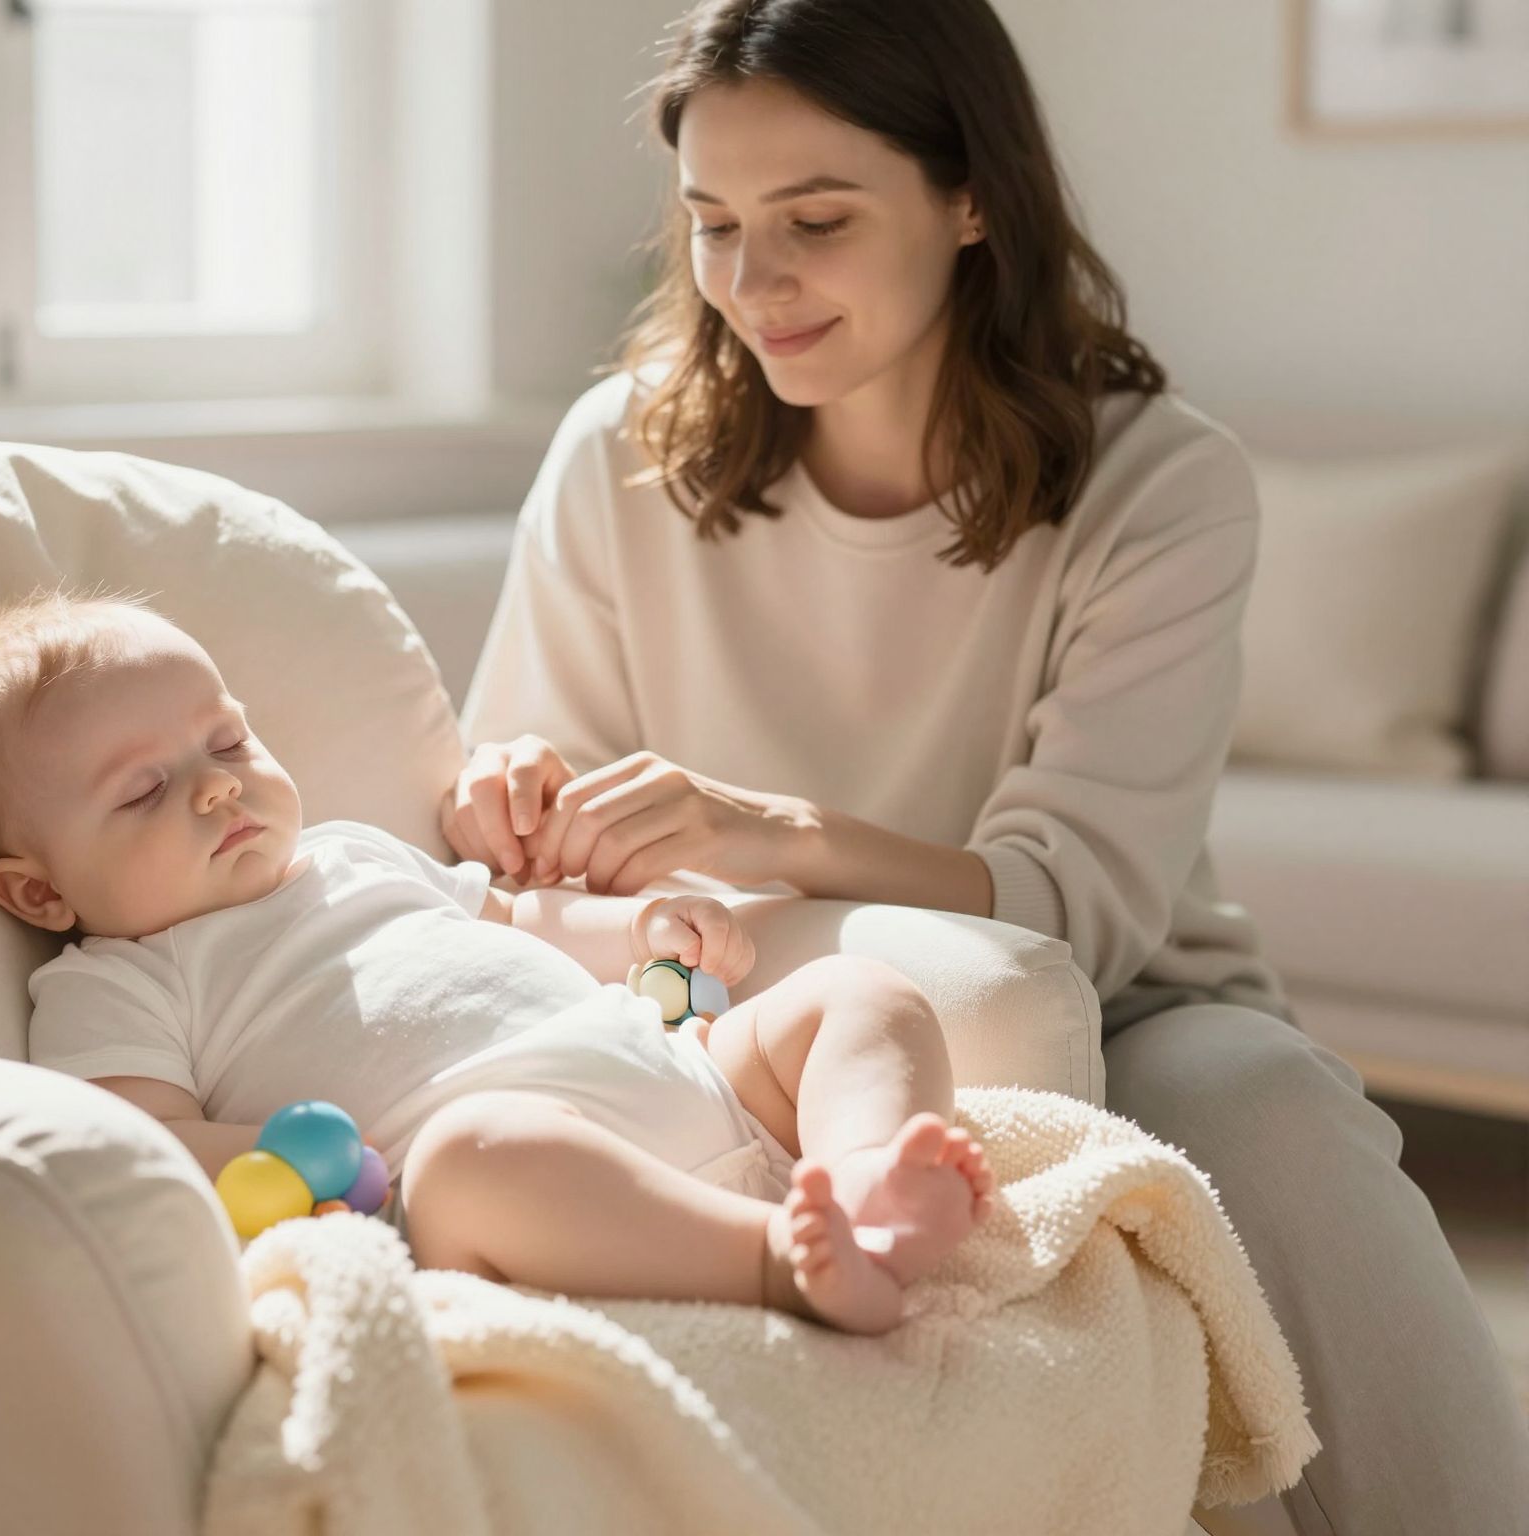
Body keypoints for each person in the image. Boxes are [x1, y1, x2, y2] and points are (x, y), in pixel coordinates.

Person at [448, 1, 1529, 1529]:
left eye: (817, 219)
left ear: (971, 199)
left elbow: (1068, 906)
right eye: (713, 224)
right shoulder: (614, 456)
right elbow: (518, 822)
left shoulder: (1158, 483)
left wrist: (777, 830)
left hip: (1123, 994)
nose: (755, 283)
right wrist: (517, 800)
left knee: (1269, 1108)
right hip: (731, 1002)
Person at [0, 591, 996, 1335]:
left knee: (854, 995)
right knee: (476, 1151)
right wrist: (302, 1152)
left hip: (691, 1077)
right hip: (522, 1193)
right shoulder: (118, 980)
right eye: (143, 790)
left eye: (229, 745)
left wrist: (641, 932)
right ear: (39, 893)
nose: (217, 789)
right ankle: (779, 1261)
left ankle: (861, 1179)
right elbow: (139, 1140)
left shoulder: (351, 853)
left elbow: (520, 917)